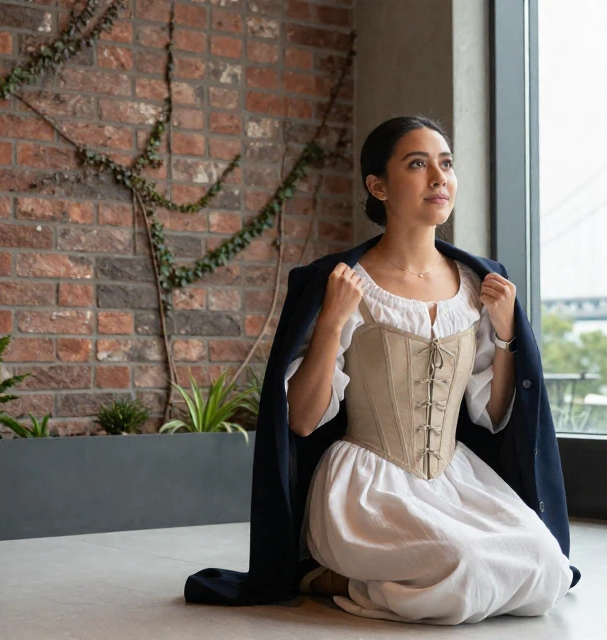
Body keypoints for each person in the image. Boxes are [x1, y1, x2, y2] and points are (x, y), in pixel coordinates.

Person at [182, 116, 580, 624]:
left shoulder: (480, 285)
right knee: (467, 567)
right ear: (378, 186)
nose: (439, 178)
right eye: (418, 164)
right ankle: (332, 574)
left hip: (455, 477)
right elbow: (302, 421)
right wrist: (330, 321)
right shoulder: (344, 282)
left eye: (447, 163)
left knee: (549, 569)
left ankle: (373, 579)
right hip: (366, 484)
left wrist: (505, 336)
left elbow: (495, 415)